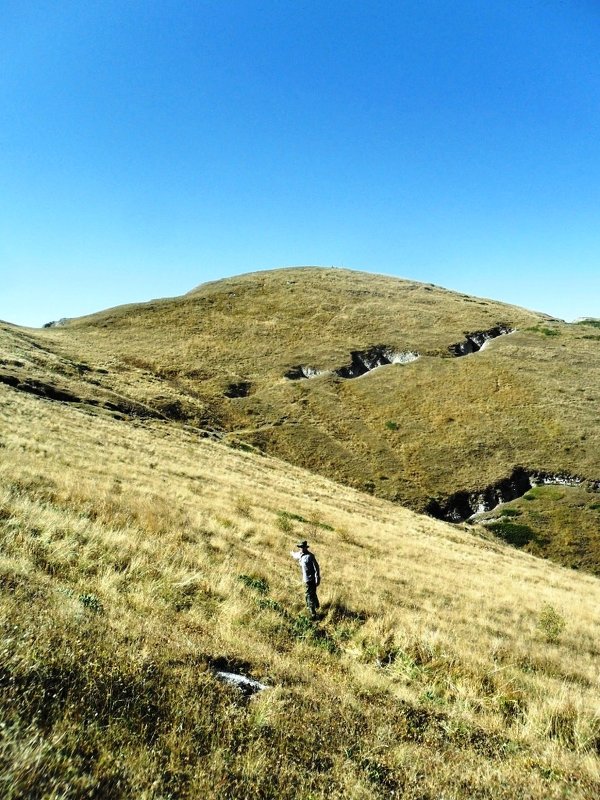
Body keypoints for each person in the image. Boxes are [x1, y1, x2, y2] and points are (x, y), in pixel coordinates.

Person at [291, 540, 321, 619]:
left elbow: (316, 567)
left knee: (308, 595)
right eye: (300, 547)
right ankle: (317, 605)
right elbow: (295, 555)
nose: (301, 548)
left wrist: (317, 577)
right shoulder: (300, 554)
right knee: (312, 593)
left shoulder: (310, 556)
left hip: (311, 579)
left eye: (302, 547)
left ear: (305, 547)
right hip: (306, 579)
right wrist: (291, 553)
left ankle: (312, 612)